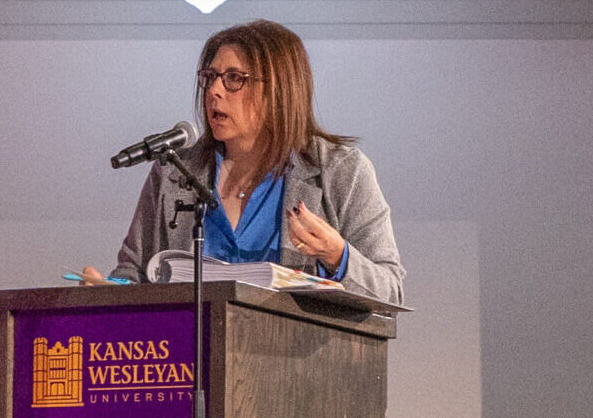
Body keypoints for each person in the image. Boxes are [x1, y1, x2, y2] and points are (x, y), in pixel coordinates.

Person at [79, 19, 404, 304]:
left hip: (298, 363)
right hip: (190, 361)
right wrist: (108, 293)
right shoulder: (175, 171)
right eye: (211, 76)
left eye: (234, 78)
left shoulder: (341, 171)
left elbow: (389, 290)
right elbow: (135, 273)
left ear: (279, 90)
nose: (214, 91)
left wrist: (337, 255)